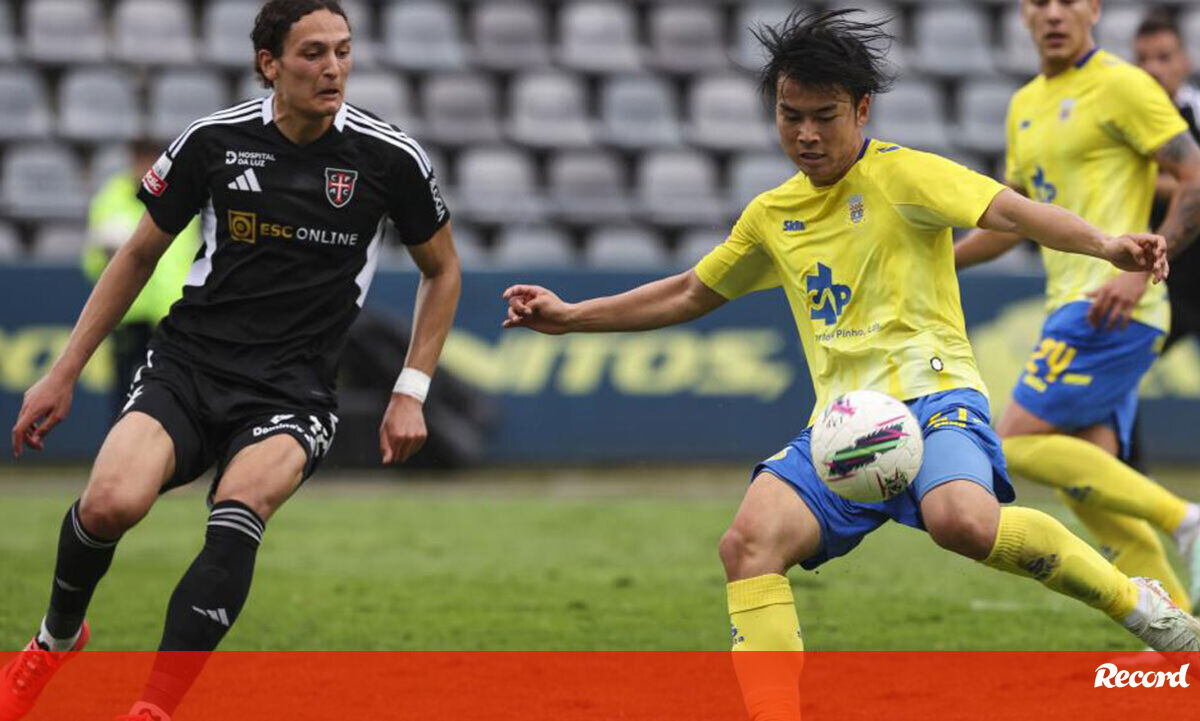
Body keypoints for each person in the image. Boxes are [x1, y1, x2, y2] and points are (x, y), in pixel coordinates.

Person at [503, 10, 1198, 721]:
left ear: (862, 109)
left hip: (935, 397)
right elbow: (689, 291)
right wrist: (572, 314)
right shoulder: (771, 216)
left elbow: (1015, 213)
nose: (806, 134)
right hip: (842, 429)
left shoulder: (906, 174)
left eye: (824, 116)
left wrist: (1105, 245)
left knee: (962, 521)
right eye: (790, 116)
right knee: (747, 544)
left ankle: (1135, 601)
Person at [1, 2, 460, 720]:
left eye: (343, 51)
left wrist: (411, 388)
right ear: (268, 63)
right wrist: (63, 372)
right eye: (312, 53)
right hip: (188, 367)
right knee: (109, 503)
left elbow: (444, 269)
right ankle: (55, 639)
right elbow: (137, 255)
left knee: (238, 510)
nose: (333, 68)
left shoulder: (389, 158)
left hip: (294, 391)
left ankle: (153, 707)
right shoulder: (214, 141)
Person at [955, 0, 1200, 613]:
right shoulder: (1024, 105)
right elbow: (1015, 220)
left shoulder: (1125, 85)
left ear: (1093, 9)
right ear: (1023, 14)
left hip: (1110, 304)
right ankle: (1178, 636)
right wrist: (940, 260)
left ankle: (1186, 519)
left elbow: (1195, 175)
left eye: (1069, 0)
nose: (1055, 14)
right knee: (1090, 483)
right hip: (1074, 303)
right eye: (1041, 2)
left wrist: (1141, 271)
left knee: (1010, 444)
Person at [83, 140, 199, 421]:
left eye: (150, 160)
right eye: (140, 160)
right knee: (123, 390)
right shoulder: (110, 198)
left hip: (170, 312)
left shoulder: (180, 194)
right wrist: (105, 255)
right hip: (127, 311)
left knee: (175, 389)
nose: (145, 167)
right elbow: (92, 260)